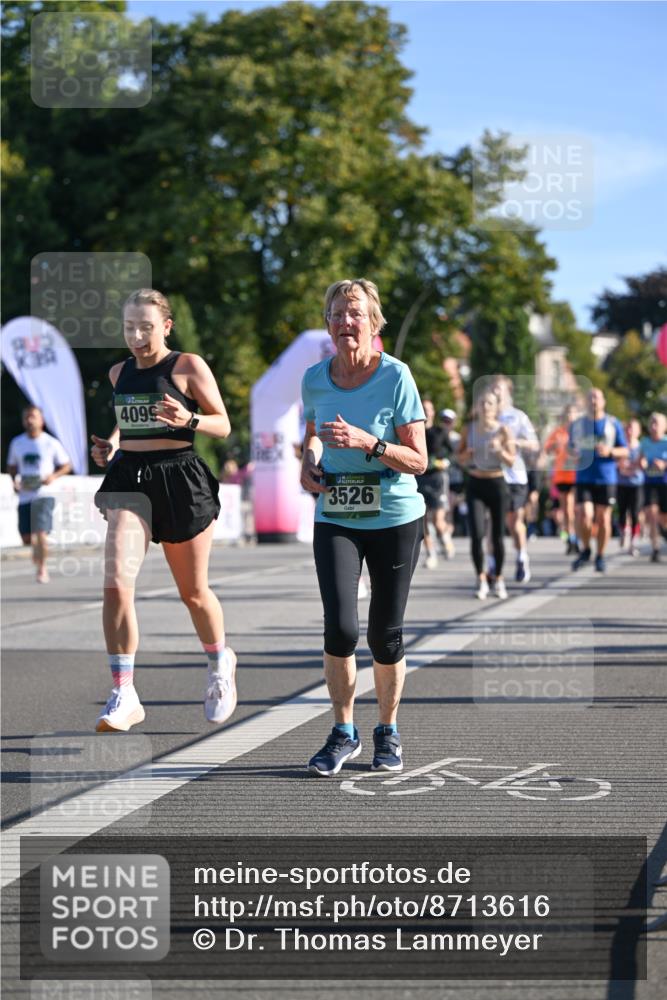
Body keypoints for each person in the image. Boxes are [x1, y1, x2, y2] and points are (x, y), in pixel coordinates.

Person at [91, 288, 237, 732]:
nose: (136, 335)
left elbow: (223, 425)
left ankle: (219, 665)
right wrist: (113, 445)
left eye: (146, 327)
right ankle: (125, 691)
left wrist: (188, 420)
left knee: (192, 592)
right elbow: (130, 415)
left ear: (166, 327)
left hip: (180, 478)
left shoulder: (187, 366)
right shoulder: (119, 372)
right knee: (116, 583)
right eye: (129, 327)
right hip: (130, 478)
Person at [300, 278, 427, 776]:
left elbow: (418, 460)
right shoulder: (314, 377)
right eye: (336, 313)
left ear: (373, 323)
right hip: (336, 513)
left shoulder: (396, 376)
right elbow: (311, 434)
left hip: (394, 515)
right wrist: (307, 464)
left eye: (355, 313)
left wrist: (365, 442)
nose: (345, 322)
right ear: (328, 323)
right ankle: (343, 730)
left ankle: (388, 731)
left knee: (384, 634)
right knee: (341, 627)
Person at [458, 389, 516, 600]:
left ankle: (499, 578)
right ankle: (481, 579)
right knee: (477, 535)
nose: (485, 407)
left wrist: (499, 450)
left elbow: (511, 460)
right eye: (482, 403)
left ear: (496, 408)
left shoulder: (503, 430)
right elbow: (460, 459)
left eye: (489, 404)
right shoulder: (469, 429)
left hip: (497, 483)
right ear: (477, 407)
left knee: (498, 536)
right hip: (475, 483)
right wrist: (467, 454)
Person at [6, 405, 72, 583]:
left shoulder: (50, 442)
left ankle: (42, 568)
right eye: (26, 417)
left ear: (41, 420)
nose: (29, 420)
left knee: (40, 532)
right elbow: (12, 466)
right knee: (27, 537)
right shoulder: (17, 443)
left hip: (44, 493)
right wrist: (14, 480)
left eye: (33, 416)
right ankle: (39, 552)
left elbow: (67, 465)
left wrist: (53, 476)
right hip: (25, 494)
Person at [569, 388, 627, 573]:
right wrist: (574, 453)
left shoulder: (612, 423)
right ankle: (586, 549)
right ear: (586, 402)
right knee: (584, 514)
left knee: (603, 518)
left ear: (603, 401)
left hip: (606, 476)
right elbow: (570, 448)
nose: (593, 401)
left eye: (596, 397)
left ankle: (600, 555)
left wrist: (610, 451)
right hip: (584, 475)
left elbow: (625, 450)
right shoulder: (578, 424)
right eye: (590, 397)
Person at [490, 376, 540, 584]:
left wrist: (514, 441)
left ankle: (521, 557)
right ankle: (492, 565)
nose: (495, 392)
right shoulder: (486, 416)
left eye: (499, 389)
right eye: (493, 389)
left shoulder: (517, 417)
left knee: (514, 522)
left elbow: (534, 444)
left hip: (515, 476)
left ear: (508, 392)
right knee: (491, 523)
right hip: (492, 475)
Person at [416, 398, 455, 569]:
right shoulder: (414, 430)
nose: (425, 411)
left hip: (438, 477)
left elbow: (452, 453)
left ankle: (444, 537)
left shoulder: (440, 431)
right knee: (423, 520)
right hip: (420, 477)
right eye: (423, 408)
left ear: (433, 412)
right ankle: (431, 554)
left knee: (438, 520)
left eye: (428, 409)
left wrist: (446, 461)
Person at [544, 404, 580, 555]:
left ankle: (576, 538)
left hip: (577, 475)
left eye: (573, 413)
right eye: (568, 414)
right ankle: (570, 538)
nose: (570, 417)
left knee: (574, 510)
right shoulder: (558, 432)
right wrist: (553, 447)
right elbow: (547, 449)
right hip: (561, 475)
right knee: (565, 510)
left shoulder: (580, 433)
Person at [640, 411, 667, 563]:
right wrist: (642, 462)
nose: (654, 426)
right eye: (652, 423)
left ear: (664, 426)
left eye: (657, 423)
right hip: (649, 482)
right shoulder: (644, 442)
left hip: (664, 482)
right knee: (650, 513)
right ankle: (655, 548)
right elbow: (640, 459)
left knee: (664, 517)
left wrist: (664, 464)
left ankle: (663, 530)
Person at [616, 417, 644, 556]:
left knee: (634, 513)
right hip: (621, 484)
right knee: (622, 511)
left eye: (632, 428)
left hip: (636, 484)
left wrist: (633, 467)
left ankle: (633, 542)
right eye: (627, 428)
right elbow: (616, 464)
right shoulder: (620, 447)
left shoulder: (641, 447)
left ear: (638, 431)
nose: (629, 431)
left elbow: (643, 464)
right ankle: (623, 532)